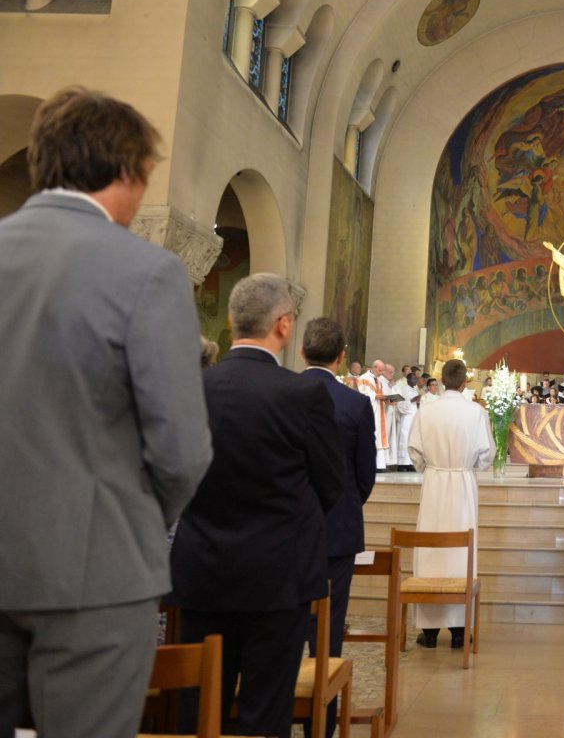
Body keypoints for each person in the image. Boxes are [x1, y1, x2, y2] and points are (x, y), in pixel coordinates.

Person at [0, 88, 213, 738]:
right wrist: (137, 518)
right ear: (125, 171)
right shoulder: (146, 272)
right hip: (95, 569)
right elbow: (181, 449)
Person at [168, 274, 344, 738]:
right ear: (284, 325)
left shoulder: (191, 388)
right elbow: (331, 484)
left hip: (200, 569)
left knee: (198, 707)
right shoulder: (302, 394)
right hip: (278, 576)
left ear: (230, 321)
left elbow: (172, 476)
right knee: (265, 713)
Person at [300, 317, 377, 738]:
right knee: (329, 626)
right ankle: (322, 724)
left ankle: (277, 711)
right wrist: (343, 506)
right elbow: (366, 473)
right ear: (342, 356)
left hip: (286, 531)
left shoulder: (283, 394)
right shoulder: (355, 404)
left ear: (301, 351)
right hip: (338, 529)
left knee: (283, 622)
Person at [407, 359, 495, 648]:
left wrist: (432, 466)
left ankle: (429, 632)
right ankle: (459, 630)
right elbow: (485, 456)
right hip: (462, 486)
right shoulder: (475, 412)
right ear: (465, 382)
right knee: (461, 553)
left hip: (434, 485)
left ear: (442, 381)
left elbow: (415, 453)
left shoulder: (427, 410)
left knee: (431, 551)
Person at [359, 359, 391, 471]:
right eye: (381, 370)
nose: (382, 373)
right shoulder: (363, 379)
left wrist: (387, 400)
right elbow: (360, 395)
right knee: (373, 436)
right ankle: (370, 464)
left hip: (379, 412)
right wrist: (375, 397)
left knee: (379, 437)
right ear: (374, 367)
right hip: (370, 413)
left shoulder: (379, 381)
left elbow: (380, 396)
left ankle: (379, 465)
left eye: (383, 371)